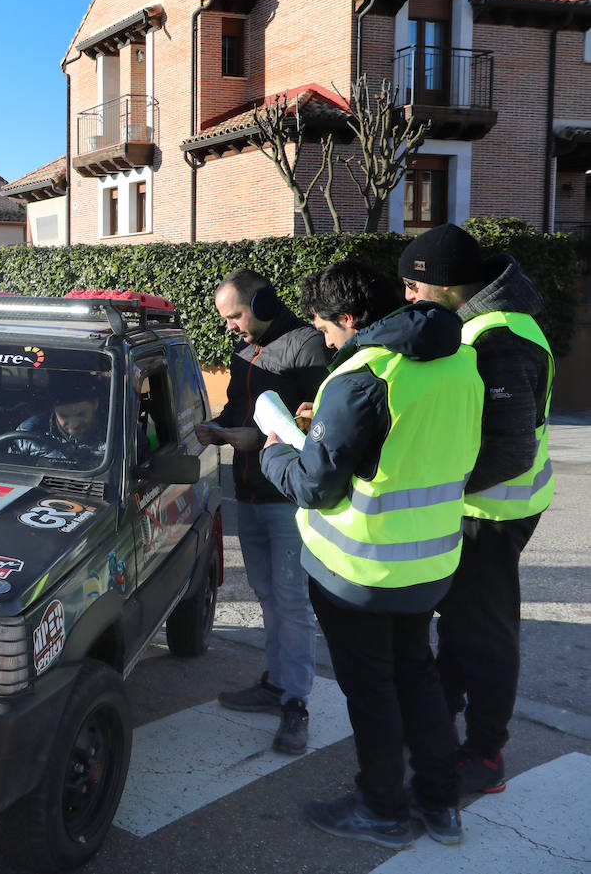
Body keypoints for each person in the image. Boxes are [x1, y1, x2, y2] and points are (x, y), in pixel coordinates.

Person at [260, 259, 483, 848]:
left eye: (327, 327)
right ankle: (440, 803)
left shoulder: (362, 375)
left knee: (373, 690)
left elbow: (314, 485)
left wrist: (275, 453)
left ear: (351, 317)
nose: (326, 339)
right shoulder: (461, 360)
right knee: (419, 676)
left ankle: (381, 809)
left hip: (356, 571)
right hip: (430, 564)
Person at [398, 224, 555, 795]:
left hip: (492, 513)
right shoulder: (481, 325)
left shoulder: (499, 338)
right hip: (484, 508)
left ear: (445, 284)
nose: (409, 299)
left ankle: (486, 756)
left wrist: (445, 486)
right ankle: (441, 716)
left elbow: (511, 450)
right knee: (463, 623)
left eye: (414, 288)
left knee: (487, 634)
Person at [194, 269, 331, 755]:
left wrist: (238, 438)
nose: (230, 326)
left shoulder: (306, 346)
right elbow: (237, 409)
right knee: (268, 594)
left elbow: (309, 426)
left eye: (235, 315)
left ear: (266, 302)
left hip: (287, 499)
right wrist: (215, 427)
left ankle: (296, 702)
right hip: (249, 492)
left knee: (292, 601)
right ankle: (275, 683)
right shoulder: (244, 351)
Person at [9, 374, 108, 464]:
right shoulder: (27, 434)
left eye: (81, 414)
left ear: (95, 404)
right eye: (64, 416)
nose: (74, 424)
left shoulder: (116, 432)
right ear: (53, 410)